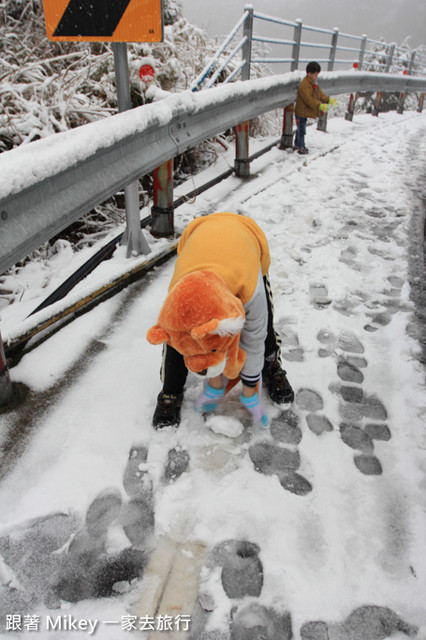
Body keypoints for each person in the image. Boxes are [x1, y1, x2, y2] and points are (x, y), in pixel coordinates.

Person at [147, 212, 294, 429]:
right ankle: (171, 391)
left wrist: (250, 387)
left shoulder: (250, 286)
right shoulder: (178, 296)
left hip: (246, 239)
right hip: (199, 238)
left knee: (264, 323)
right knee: (178, 335)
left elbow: (254, 336)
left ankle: (271, 365)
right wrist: (215, 386)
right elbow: (173, 336)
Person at [294, 61, 336, 155]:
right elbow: (309, 100)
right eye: (315, 74)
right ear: (309, 74)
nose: (316, 76)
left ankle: (297, 144)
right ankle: (300, 147)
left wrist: (328, 100)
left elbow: (320, 94)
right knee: (301, 130)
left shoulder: (313, 83)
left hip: (303, 112)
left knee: (301, 128)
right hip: (300, 111)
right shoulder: (304, 85)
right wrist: (319, 105)